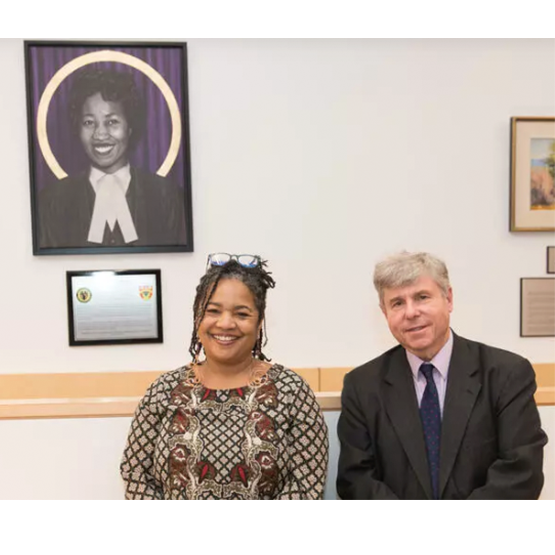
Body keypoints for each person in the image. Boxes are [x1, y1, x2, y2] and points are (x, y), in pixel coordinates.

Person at [337, 251, 548, 500]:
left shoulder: (506, 374)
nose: (411, 312)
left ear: (448, 299)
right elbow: (355, 480)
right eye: (397, 303)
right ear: (385, 313)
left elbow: (521, 473)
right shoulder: (362, 386)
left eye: (422, 297)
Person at [121, 253, 329, 499]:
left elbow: (306, 482)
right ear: (197, 317)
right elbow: (135, 473)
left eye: (241, 314)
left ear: (259, 322)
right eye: (213, 311)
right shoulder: (164, 389)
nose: (226, 323)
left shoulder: (292, 391)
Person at [38, 67, 187, 248]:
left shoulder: (167, 196)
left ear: (130, 126)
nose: (100, 134)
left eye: (112, 122)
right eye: (89, 123)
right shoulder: (52, 201)